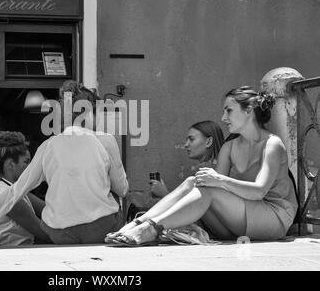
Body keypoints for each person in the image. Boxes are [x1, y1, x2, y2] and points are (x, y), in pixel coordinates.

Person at [108, 86, 298, 245]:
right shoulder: (229, 147)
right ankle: (136, 224)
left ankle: (151, 228)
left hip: (274, 217)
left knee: (209, 188)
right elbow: (212, 189)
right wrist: (214, 181)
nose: (223, 118)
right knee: (194, 181)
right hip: (239, 222)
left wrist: (219, 179)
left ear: (248, 111)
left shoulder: (272, 144)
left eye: (229, 110)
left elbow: (259, 192)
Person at [0, 81, 129, 244]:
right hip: (100, 227)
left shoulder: (48, 146)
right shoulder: (105, 140)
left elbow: (16, 191)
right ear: (89, 113)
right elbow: (122, 190)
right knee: (114, 199)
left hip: (60, 231)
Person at [0, 131, 51, 247]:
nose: (31, 167)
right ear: (10, 165)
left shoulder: (14, 190)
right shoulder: (10, 198)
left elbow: (48, 208)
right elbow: (45, 233)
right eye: (26, 162)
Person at [149, 120, 224, 199]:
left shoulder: (209, 173)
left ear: (208, 142)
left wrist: (164, 195)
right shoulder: (215, 169)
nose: (186, 144)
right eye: (187, 140)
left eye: (191, 139)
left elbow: (196, 209)